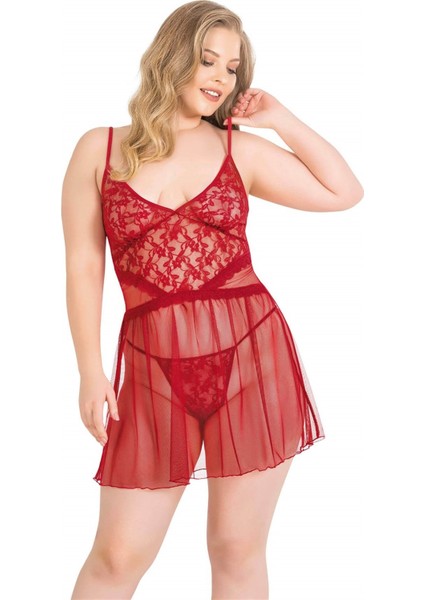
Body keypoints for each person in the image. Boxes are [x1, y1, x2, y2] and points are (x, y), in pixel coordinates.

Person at [61, 1, 363, 598]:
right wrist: (89, 371)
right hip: (150, 370)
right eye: (208, 60)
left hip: (252, 360)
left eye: (232, 67)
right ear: (171, 57)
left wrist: (280, 118)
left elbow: (344, 191)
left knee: (235, 549)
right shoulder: (99, 148)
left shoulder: (237, 150)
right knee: (117, 557)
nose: (222, 77)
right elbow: (83, 264)